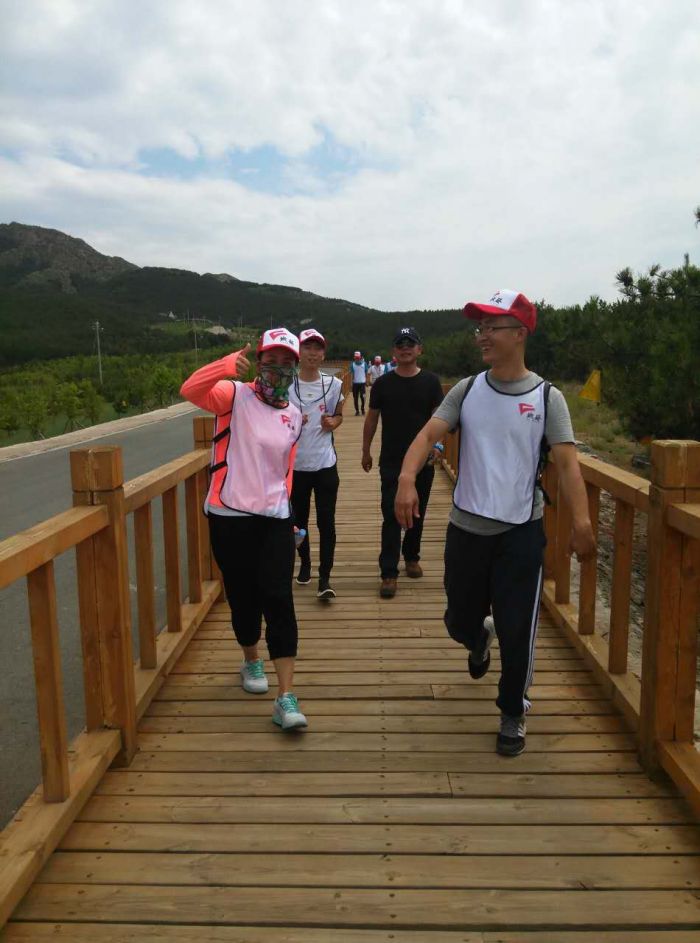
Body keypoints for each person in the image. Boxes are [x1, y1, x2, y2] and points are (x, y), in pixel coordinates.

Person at [395, 290, 596, 756]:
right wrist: (406, 479)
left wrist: (582, 521)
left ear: (520, 333)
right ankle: (477, 638)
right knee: (458, 620)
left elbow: (568, 465)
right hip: (466, 529)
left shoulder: (548, 398)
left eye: (491, 327)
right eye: (479, 328)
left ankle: (512, 711)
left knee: (518, 627)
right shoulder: (468, 390)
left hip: (520, 532)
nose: (481, 335)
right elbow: (427, 435)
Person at [180, 328, 309, 731]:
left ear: (295, 366)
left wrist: (291, 516)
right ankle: (251, 659)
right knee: (242, 596)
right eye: (271, 361)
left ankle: (285, 697)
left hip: (275, 518)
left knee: (279, 597)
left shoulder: (295, 415)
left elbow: (285, 471)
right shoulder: (234, 396)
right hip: (229, 515)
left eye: (287, 362)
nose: (278, 369)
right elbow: (191, 390)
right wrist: (223, 366)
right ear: (259, 362)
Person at [362, 326, 444, 598]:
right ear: (393, 351)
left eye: (411, 343)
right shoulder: (383, 384)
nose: (406, 347)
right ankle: (388, 572)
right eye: (400, 344)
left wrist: (438, 445)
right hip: (391, 460)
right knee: (390, 514)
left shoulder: (431, 382)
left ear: (420, 349)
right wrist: (365, 450)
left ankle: (411, 556)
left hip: (424, 460)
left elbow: (439, 419)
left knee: (418, 512)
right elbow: (371, 419)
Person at [288, 328, 344, 600]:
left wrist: (333, 422)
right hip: (296, 467)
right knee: (299, 522)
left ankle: (325, 578)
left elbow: (338, 415)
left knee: (326, 522)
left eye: (317, 348)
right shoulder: (286, 387)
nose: (312, 353)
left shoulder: (334, 385)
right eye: (307, 347)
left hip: (325, 464)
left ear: (323, 354)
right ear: (298, 352)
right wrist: (292, 423)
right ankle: (306, 564)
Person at [349, 351, 368, 415]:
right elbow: (352, 374)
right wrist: (351, 383)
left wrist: (367, 381)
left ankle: (362, 409)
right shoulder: (352, 364)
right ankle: (357, 411)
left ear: (360, 357)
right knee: (355, 398)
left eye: (358, 357)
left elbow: (366, 373)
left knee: (363, 397)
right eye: (356, 357)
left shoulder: (364, 364)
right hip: (355, 383)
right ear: (354, 357)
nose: (357, 359)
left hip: (362, 383)